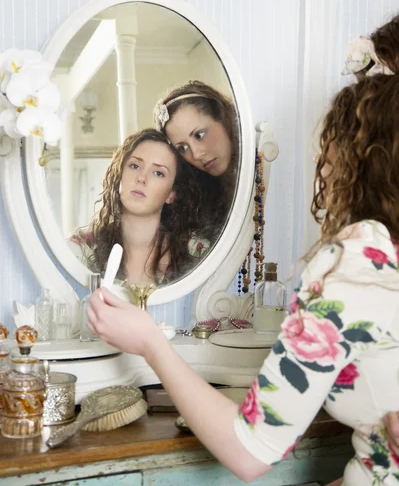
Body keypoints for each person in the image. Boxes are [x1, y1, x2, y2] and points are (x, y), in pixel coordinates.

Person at [87, 74, 399, 484]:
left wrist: (150, 342)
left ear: (357, 160)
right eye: (182, 147)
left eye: (328, 149)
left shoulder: (355, 261)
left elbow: (250, 452)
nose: (321, 165)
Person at [70, 129, 210, 286]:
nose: (141, 178)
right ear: (119, 174)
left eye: (158, 173)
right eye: (135, 166)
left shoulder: (197, 254)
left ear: (171, 194)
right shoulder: (80, 249)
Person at [153, 80, 239, 239]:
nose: (197, 154)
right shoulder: (199, 197)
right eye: (183, 148)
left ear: (225, 119)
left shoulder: (260, 165)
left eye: (199, 135)